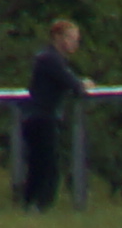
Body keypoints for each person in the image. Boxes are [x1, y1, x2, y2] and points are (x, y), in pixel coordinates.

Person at [18, 19, 84, 211]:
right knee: (46, 165)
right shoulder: (49, 59)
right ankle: (39, 204)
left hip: (40, 117)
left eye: (76, 39)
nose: (74, 43)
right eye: (70, 38)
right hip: (41, 118)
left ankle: (32, 204)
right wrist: (83, 85)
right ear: (57, 37)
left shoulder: (53, 59)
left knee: (40, 164)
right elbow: (73, 84)